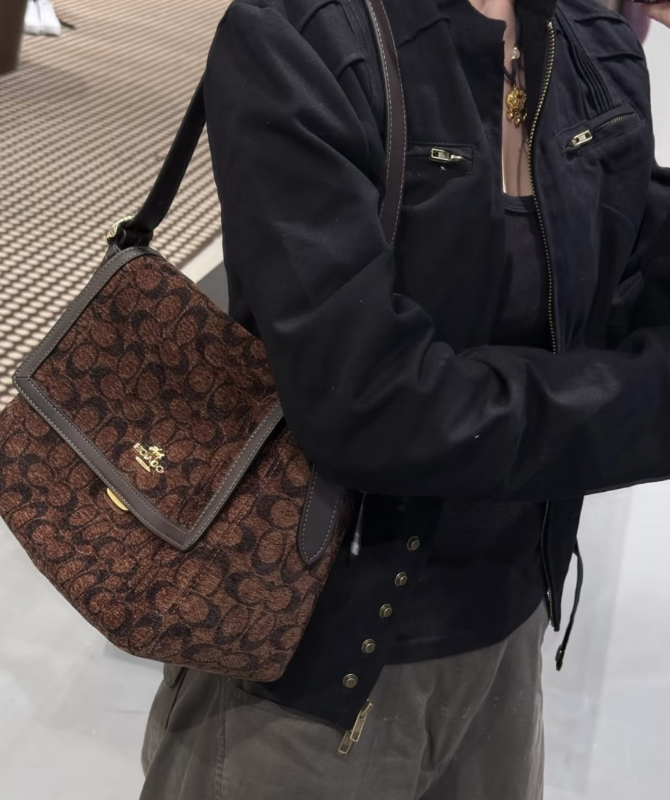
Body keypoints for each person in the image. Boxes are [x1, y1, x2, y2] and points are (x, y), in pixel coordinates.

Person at [139, 1, 670, 798]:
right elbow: (369, 402)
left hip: (504, 635)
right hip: (308, 668)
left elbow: (628, 279)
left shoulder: (586, 41)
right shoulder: (305, 36)